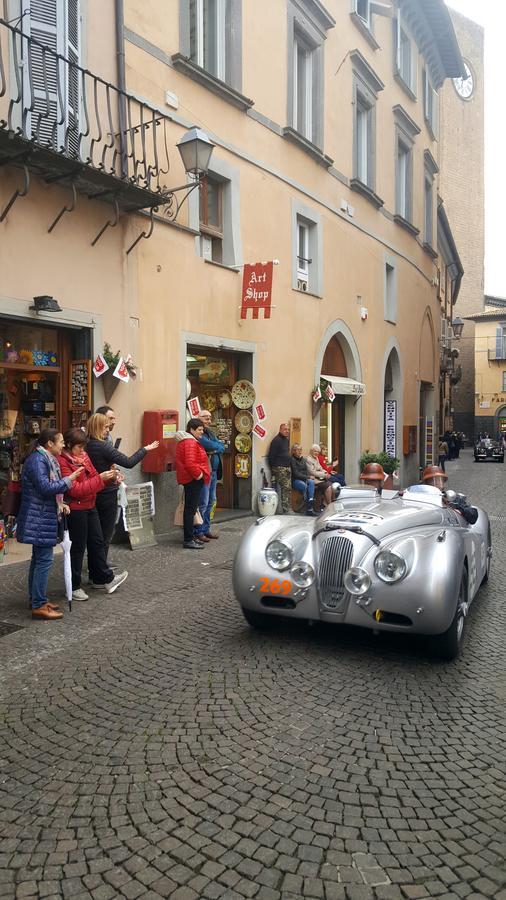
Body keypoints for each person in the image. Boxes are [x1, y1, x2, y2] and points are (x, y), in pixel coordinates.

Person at [17, 429, 83, 620]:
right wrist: (69, 480)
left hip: (42, 515)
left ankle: (37, 598)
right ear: (49, 444)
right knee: (44, 560)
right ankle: (38, 605)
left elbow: (45, 489)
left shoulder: (44, 458)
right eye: (61, 442)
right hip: (39, 517)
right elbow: (45, 487)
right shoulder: (38, 461)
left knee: (39, 559)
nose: (63, 445)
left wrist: (59, 503)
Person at [60, 428, 128, 598]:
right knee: (77, 548)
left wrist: (112, 477)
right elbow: (75, 490)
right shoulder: (62, 461)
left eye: (84, 447)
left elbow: (94, 476)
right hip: (75, 509)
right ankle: (74, 587)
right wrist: (101, 479)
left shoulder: (84, 456)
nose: (82, 451)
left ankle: (103, 578)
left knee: (97, 542)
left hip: (90, 505)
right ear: (69, 445)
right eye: (79, 447)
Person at [86, 413, 159, 559]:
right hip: (106, 493)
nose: (108, 430)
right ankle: (100, 568)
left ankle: (94, 566)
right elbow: (129, 462)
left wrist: (115, 471)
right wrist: (145, 449)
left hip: (92, 492)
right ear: (98, 427)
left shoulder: (87, 445)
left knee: (95, 533)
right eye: (106, 427)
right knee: (106, 533)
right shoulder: (103, 446)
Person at [175, 419, 211, 549]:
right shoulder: (190, 442)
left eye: (202, 429)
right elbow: (190, 464)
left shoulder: (188, 441)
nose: (202, 432)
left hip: (190, 479)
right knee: (190, 510)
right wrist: (199, 476)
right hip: (192, 479)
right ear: (191, 430)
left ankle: (190, 538)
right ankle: (189, 539)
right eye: (199, 429)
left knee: (190, 509)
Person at [194, 410, 225, 542]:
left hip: (214, 471)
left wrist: (215, 448)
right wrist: (215, 447)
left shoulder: (210, 432)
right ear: (198, 418)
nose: (209, 421)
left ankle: (206, 529)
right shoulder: (198, 433)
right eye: (206, 418)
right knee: (203, 502)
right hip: (205, 472)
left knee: (211, 502)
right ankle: (198, 531)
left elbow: (221, 446)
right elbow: (209, 445)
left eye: (210, 418)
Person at [267, 424, 292, 515]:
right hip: (279, 467)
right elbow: (271, 456)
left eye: (288, 429)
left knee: (288, 488)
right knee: (285, 488)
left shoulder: (286, 440)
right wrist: (274, 468)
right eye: (285, 429)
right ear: (280, 429)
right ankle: (286, 510)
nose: (287, 431)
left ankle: (288, 508)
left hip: (287, 467)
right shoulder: (276, 440)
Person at [290, 444, 316, 516]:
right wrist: (307, 477)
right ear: (294, 451)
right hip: (295, 480)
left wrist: (309, 477)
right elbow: (295, 474)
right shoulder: (292, 460)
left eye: (301, 450)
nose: (300, 451)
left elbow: (306, 471)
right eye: (298, 450)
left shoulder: (303, 459)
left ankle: (310, 500)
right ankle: (309, 508)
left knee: (311, 482)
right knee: (305, 486)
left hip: (304, 479)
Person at [306, 444, 333, 509]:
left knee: (332, 485)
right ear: (311, 451)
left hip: (319, 478)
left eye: (318, 452)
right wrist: (324, 475)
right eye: (315, 451)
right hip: (313, 479)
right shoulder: (308, 459)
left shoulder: (316, 458)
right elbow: (312, 472)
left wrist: (326, 473)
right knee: (328, 487)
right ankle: (329, 506)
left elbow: (320, 468)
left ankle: (325, 503)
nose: (317, 453)